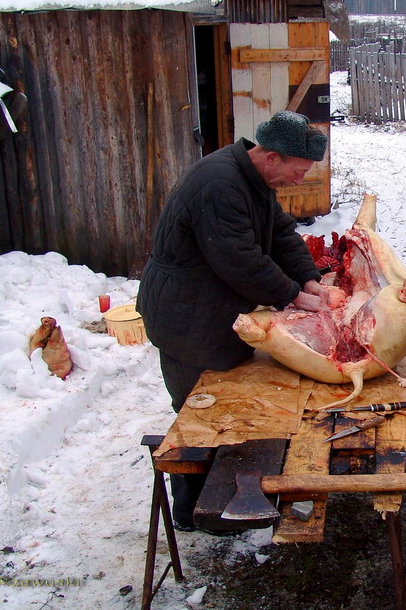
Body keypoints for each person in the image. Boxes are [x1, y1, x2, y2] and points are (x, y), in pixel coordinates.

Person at [137, 109, 330, 531]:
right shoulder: (219, 183)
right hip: (185, 315)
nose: (298, 181)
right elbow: (238, 260)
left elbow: (280, 234)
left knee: (233, 406)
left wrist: (309, 279)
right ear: (272, 156)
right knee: (198, 413)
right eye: (297, 171)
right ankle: (191, 511)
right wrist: (291, 295)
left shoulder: (254, 178)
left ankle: (230, 492)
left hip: (214, 310)